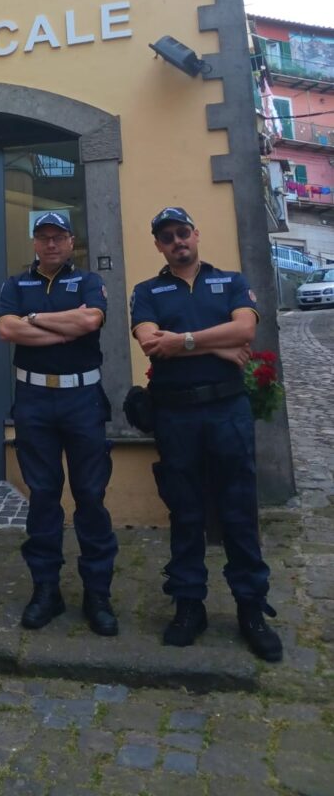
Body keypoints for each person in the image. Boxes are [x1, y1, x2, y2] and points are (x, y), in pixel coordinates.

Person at [130, 206, 282, 661]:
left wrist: (185, 342)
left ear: (196, 235)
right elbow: (150, 340)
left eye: (182, 233)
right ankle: (188, 605)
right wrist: (217, 344)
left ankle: (251, 610)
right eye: (167, 237)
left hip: (227, 411)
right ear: (158, 245)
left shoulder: (231, 281)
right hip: (176, 415)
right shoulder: (147, 290)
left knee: (238, 511)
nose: (177, 242)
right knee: (185, 512)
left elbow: (247, 327)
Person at [0, 211, 118, 636]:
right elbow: (7, 329)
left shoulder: (86, 281)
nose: (51, 244)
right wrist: (54, 326)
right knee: (43, 496)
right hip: (33, 400)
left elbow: (90, 321)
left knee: (90, 495)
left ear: (70, 241)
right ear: (34, 242)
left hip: (82, 398)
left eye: (58, 237)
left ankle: (97, 593)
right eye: (43, 237)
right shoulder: (17, 284)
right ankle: (46, 589)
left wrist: (35, 322)